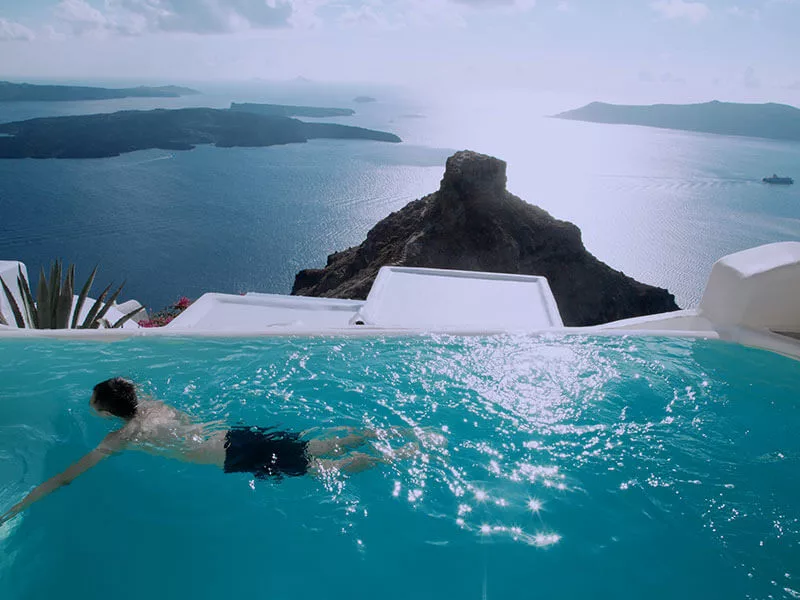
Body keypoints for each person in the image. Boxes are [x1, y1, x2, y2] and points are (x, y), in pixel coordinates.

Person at [1, 377, 412, 525]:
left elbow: (66, 476)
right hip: (235, 434)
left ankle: (401, 455)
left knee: (323, 469)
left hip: (232, 456)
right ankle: (386, 432)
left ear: (106, 411)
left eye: (94, 402)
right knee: (314, 445)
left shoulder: (122, 437)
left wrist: (15, 509)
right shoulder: (154, 406)